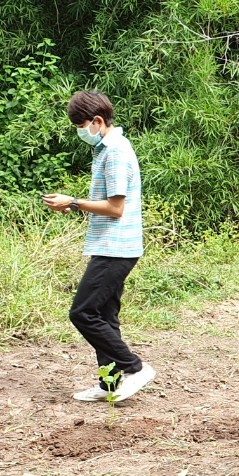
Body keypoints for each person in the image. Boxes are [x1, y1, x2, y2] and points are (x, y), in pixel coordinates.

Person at [43, 90, 156, 402]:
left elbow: (116, 208)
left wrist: (74, 201)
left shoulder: (116, 151)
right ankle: (109, 384)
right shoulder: (105, 149)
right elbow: (107, 204)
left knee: (82, 313)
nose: (81, 132)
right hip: (112, 245)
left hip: (116, 248)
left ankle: (135, 368)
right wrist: (73, 205)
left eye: (81, 126)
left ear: (97, 121)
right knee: (105, 317)